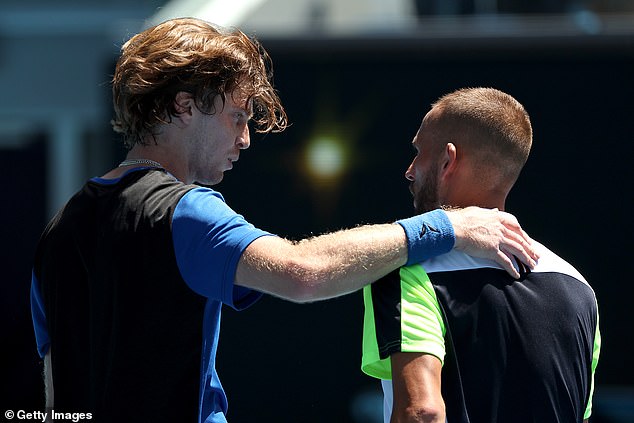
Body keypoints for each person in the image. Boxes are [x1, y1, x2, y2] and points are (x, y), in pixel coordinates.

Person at [30, 19, 538, 423]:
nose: (246, 139)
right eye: (238, 116)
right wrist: (451, 227)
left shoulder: (58, 232)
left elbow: (55, 398)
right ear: (184, 106)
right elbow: (303, 273)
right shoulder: (185, 210)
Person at [361, 87, 601, 423]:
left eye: (419, 153)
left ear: (448, 160)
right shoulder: (580, 288)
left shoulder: (404, 269)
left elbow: (423, 412)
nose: (410, 170)